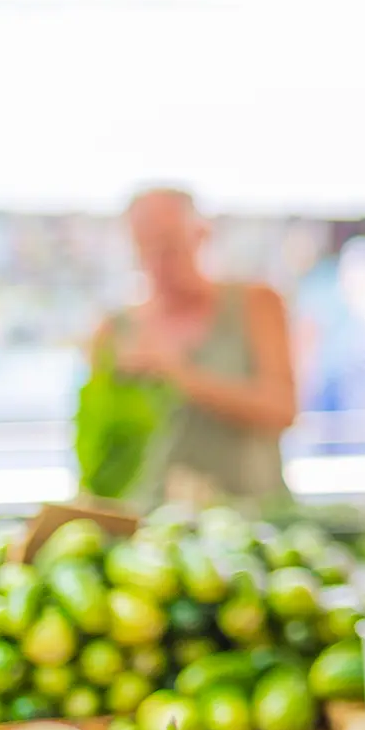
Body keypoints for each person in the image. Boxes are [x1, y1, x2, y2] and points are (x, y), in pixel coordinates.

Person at [93, 188, 297, 507]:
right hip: (152, 524)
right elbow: (100, 447)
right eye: (145, 248)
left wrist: (178, 374)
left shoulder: (256, 303)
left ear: (201, 234)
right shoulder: (114, 329)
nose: (158, 263)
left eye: (170, 246)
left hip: (253, 515)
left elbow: (283, 409)